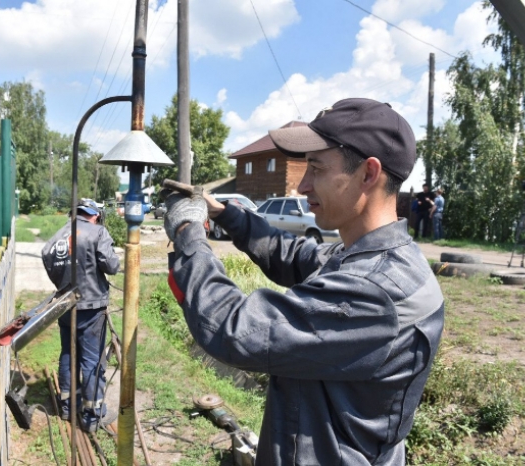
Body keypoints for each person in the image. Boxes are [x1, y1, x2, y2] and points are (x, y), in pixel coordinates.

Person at [160, 98, 444, 465]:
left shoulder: (375, 290)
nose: (303, 186)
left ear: (369, 174)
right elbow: (295, 255)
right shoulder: (366, 259)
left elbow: (234, 330)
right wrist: (226, 214)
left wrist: (188, 233)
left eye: (317, 169)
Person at [42, 199, 120, 432]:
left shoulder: (57, 236)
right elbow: (112, 265)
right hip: (91, 307)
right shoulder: (97, 232)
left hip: (65, 306)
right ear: (94, 215)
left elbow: (48, 258)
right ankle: (92, 415)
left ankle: (67, 406)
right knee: (91, 361)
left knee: (68, 354)